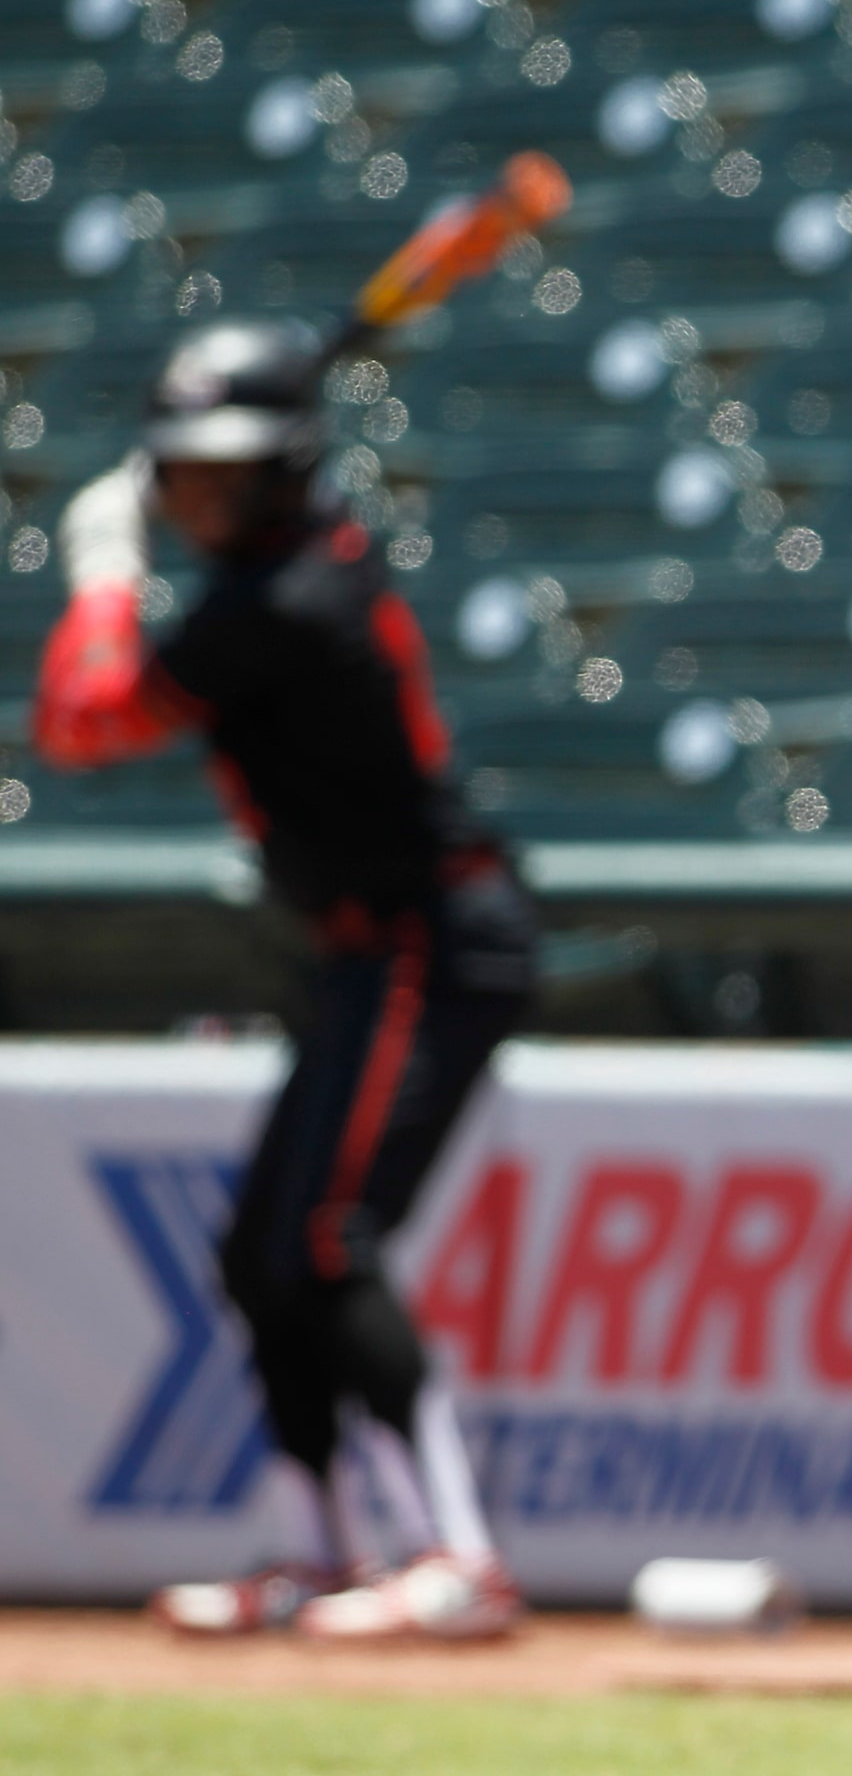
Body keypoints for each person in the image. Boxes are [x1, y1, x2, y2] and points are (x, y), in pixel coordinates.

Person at [33, 320, 535, 1639]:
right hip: (370, 945)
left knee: (326, 1236)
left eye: (219, 468)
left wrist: (100, 573)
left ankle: (456, 1557)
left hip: (434, 935)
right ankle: (323, 1548)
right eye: (177, 466)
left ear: (281, 469)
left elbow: (83, 721)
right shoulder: (283, 569)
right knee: (260, 1254)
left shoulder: (283, 601)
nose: (188, 489)